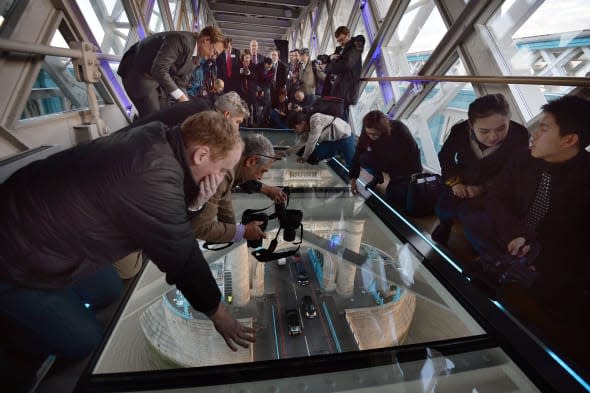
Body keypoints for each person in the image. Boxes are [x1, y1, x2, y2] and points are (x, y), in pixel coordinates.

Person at [0, 111, 256, 361]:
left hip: (36, 215)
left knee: (109, 290)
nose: (221, 177)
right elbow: (184, 259)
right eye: (223, 169)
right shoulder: (152, 176)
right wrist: (221, 317)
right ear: (201, 155)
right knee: (85, 343)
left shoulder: (158, 137)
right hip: (15, 257)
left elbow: (170, 215)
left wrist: (195, 203)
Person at [483, 95, 590, 371]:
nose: (535, 133)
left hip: (556, 261)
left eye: (544, 128)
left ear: (569, 140)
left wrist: (537, 249)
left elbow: (578, 244)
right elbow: (496, 195)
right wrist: (514, 234)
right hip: (517, 239)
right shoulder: (526, 158)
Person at [431, 94, 529, 245]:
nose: (493, 137)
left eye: (501, 128)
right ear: (470, 124)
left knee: (474, 219)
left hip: (496, 185)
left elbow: (514, 172)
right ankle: (445, 225)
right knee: (444, 206)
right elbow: (446, 157)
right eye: (484, 131)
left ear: (509, 119)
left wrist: (483, 188)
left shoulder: (520, 135)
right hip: (462, 179)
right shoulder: (459, 131)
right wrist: (455, 183)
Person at [193, 134, 288, 243]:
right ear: (251, 161)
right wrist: (242, 231)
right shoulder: (221, 176)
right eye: (262, 171)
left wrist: (234, 228)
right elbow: (199, 228)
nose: (260, 177)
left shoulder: (228, 167)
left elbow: (225, 195)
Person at [117, 26, 225, 118]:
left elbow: (182, 81)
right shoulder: (181, 40)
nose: (214, 57)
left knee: (166, 112)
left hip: (156, 77)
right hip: (138, 70)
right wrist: (180, 96)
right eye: (214, 52)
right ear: (206, 40)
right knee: (152, 117)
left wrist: (186, 103)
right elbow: (159, 69)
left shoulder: (199, 56)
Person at [349, 110, 422, 208]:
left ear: (383, 130)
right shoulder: (367, 129)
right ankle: (378, 176)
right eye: (369, 134)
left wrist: (413, 177)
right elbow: (359, 151)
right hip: (384, 159)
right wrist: (353, 178)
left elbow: (414, 154)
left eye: (374, 134)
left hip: (403, 166)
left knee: (393, 198)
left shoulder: (400, 130)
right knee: (363, 158)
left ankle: (398, 184)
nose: (371, 137)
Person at [323, 26, 365, 121]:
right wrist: (330, 58)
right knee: (338, 119)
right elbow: (331, 61)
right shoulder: (342, 49)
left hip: (345, 90)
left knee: (342, 120)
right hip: (338, 88)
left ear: (348, 35)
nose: (340, 42)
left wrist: (327, 68)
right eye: (338, 40)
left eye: (342, 39)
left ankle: (345, 135)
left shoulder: (355, 47)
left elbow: (346, 65)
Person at [287, 111, 354, 167]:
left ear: (302, 123)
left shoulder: (315, 120)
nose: (295, 131)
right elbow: (300, 142)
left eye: (295, 128)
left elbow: (311, 142)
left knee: (351, 164)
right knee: (314, 157)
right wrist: (287, 153)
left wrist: (303, 158)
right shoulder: (306, 129)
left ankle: (346, 178)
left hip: (345, 137)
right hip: (332, 141)